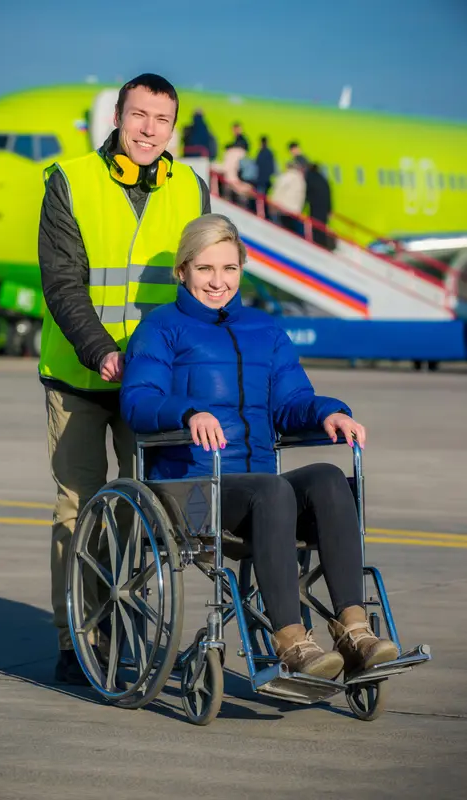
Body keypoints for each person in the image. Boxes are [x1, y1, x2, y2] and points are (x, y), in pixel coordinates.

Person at [120, 214, 399, 679]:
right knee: (272, 492)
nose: (218, 281)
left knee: (329, 478)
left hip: (258, 487)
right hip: (190, 490)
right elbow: (139, 400)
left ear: (242, 269)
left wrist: (328, 412)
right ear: (182, 270)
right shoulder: (161, 328)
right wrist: (188, 412)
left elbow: (292, 400)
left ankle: (354, 628)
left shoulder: (265, 330)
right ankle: (291, 640)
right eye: (205, 269)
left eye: (229, 269)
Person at [38, 73, 211, 685]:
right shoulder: (71, 181)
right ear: (119, 115)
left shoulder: (191, 187)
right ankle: (77, 638)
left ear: (172, 127)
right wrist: (103, 351)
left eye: (161, 121)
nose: (148, 130)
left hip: (155, 385)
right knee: (79, 510)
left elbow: (203, 284)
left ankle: (129, 622)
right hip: (81, 376)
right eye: (139, 116)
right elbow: (62, 283)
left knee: (151, 514)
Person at [271, 162, 306, 234]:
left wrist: (273, 203)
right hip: (295, 210)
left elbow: (278, 190)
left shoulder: (285, 176)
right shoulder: (301, 180)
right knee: (292, 230)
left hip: (283, 208)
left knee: (281, 229)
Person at [306, 163, 333, 249]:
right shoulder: (324, 180)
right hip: (324, 207)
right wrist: (329, 209)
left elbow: (307, 193)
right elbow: (329, 195)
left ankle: (317, 244)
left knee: (315, 226)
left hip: (315, 206)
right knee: (322, 226)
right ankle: (323, 245)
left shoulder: (310, 178)